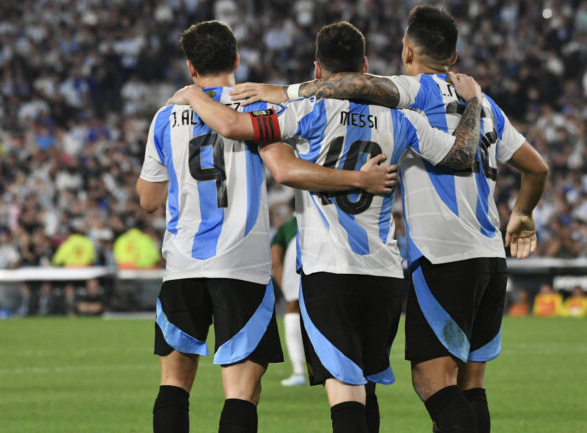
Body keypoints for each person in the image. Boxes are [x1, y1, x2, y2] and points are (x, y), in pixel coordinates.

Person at [230, 7, 550, 433]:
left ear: (408, 51)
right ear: (454, 57)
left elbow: (354, 88)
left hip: (439, 256)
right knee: (469, 384)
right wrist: (523, 214)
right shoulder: (484, 105)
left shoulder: (414, 93)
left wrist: (284, 92)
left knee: (428, 382)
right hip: (487, 256)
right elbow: (536, 168)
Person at [167, 21, 483, 433]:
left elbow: (238, 131)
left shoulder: (305, 110)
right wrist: (473, 103)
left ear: (316, 70)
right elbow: (462, 155)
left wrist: (194, 95)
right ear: (366, 65)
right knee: (367, 387)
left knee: (345, 392)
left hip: (328, 271)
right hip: (385, 275)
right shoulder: (402, 120)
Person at [136, 21, 395, 433]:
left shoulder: (166, 116)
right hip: (243, 266)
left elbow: (148, 200)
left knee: (173, 385)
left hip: (183, 264)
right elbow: (283, 168)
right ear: (237, 59)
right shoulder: (261, 109)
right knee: (240, 392)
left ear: (190, 67)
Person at [270, 213, 305, 386]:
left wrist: (287, 289)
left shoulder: (288, 226)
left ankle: (299, 372)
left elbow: (275, 261)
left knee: (292, 309)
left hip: (299, 266)